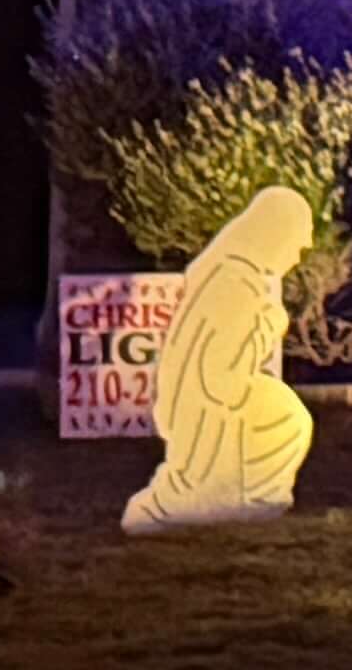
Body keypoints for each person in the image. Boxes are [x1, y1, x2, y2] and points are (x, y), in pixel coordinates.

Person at [123, 184, 315, 533]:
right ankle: (235, 493)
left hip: (211, 404)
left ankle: (247, 497)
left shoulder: (234, 277)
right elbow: (222, 380)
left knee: (286, 415)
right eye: (297, 245)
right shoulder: (235, 287)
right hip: (209, 415)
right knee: (286, 421)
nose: (298, 257)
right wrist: (268, 327)